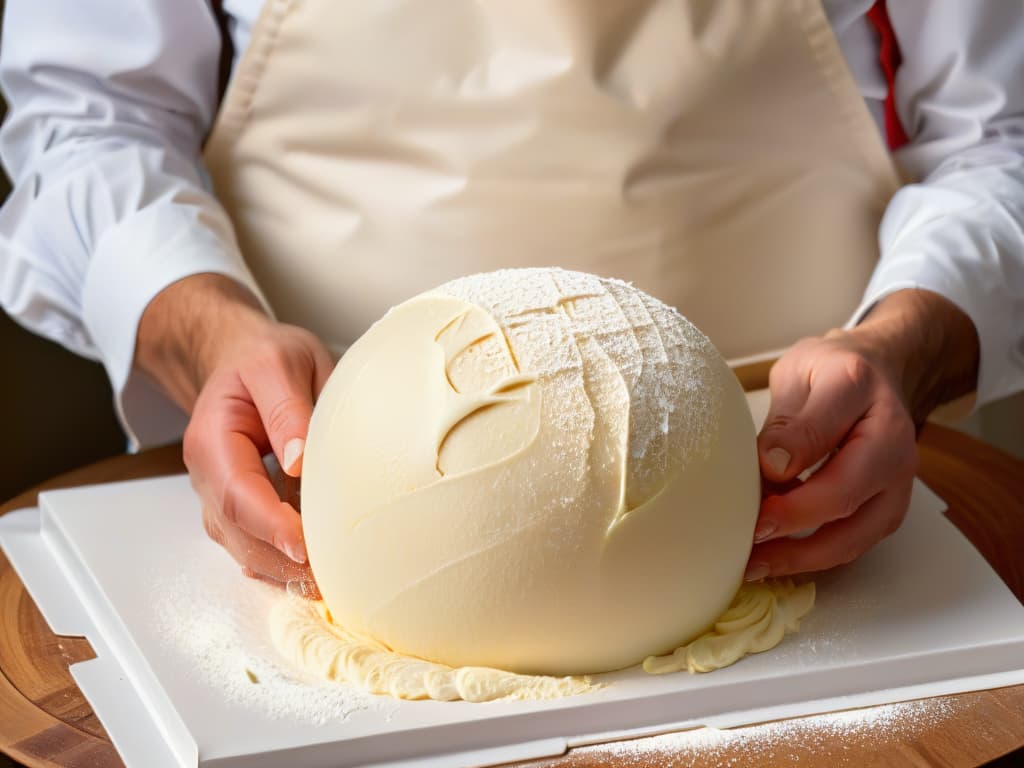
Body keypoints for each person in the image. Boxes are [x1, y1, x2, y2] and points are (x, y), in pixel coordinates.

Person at [0, 0, 1021, 595]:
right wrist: (208, 332)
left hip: (802, 511)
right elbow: (91, 122)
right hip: (314, 498)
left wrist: (903, 345)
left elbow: (998, 138)